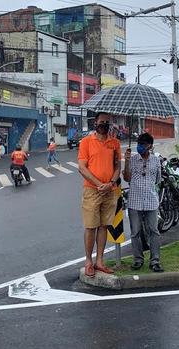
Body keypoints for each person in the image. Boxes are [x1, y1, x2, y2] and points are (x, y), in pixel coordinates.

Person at [78, 112, 121, 277]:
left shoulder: (115, 143)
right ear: (95, 123)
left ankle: (100, 261)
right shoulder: (86, 142)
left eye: (107, 122)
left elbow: (117, 167)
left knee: (104, 226)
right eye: (101, 121)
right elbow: (82, 167)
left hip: (109, 191)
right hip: (92, 190)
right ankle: (89, 261)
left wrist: (110, 183)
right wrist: (99, 184)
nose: (104, 124)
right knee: (90, 226)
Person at [123, 132, 163, 272]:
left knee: (154, 231)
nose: (140, 147)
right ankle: (138, 259)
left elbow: (158, 179)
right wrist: (126, 161)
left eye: (143, 144)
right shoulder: (133, 159)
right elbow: (127, 178)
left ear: (150, 146)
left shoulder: (156, 161)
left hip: (151, 201)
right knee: (135, 232)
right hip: (135, 201)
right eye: (139, 144)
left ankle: (155, 260)